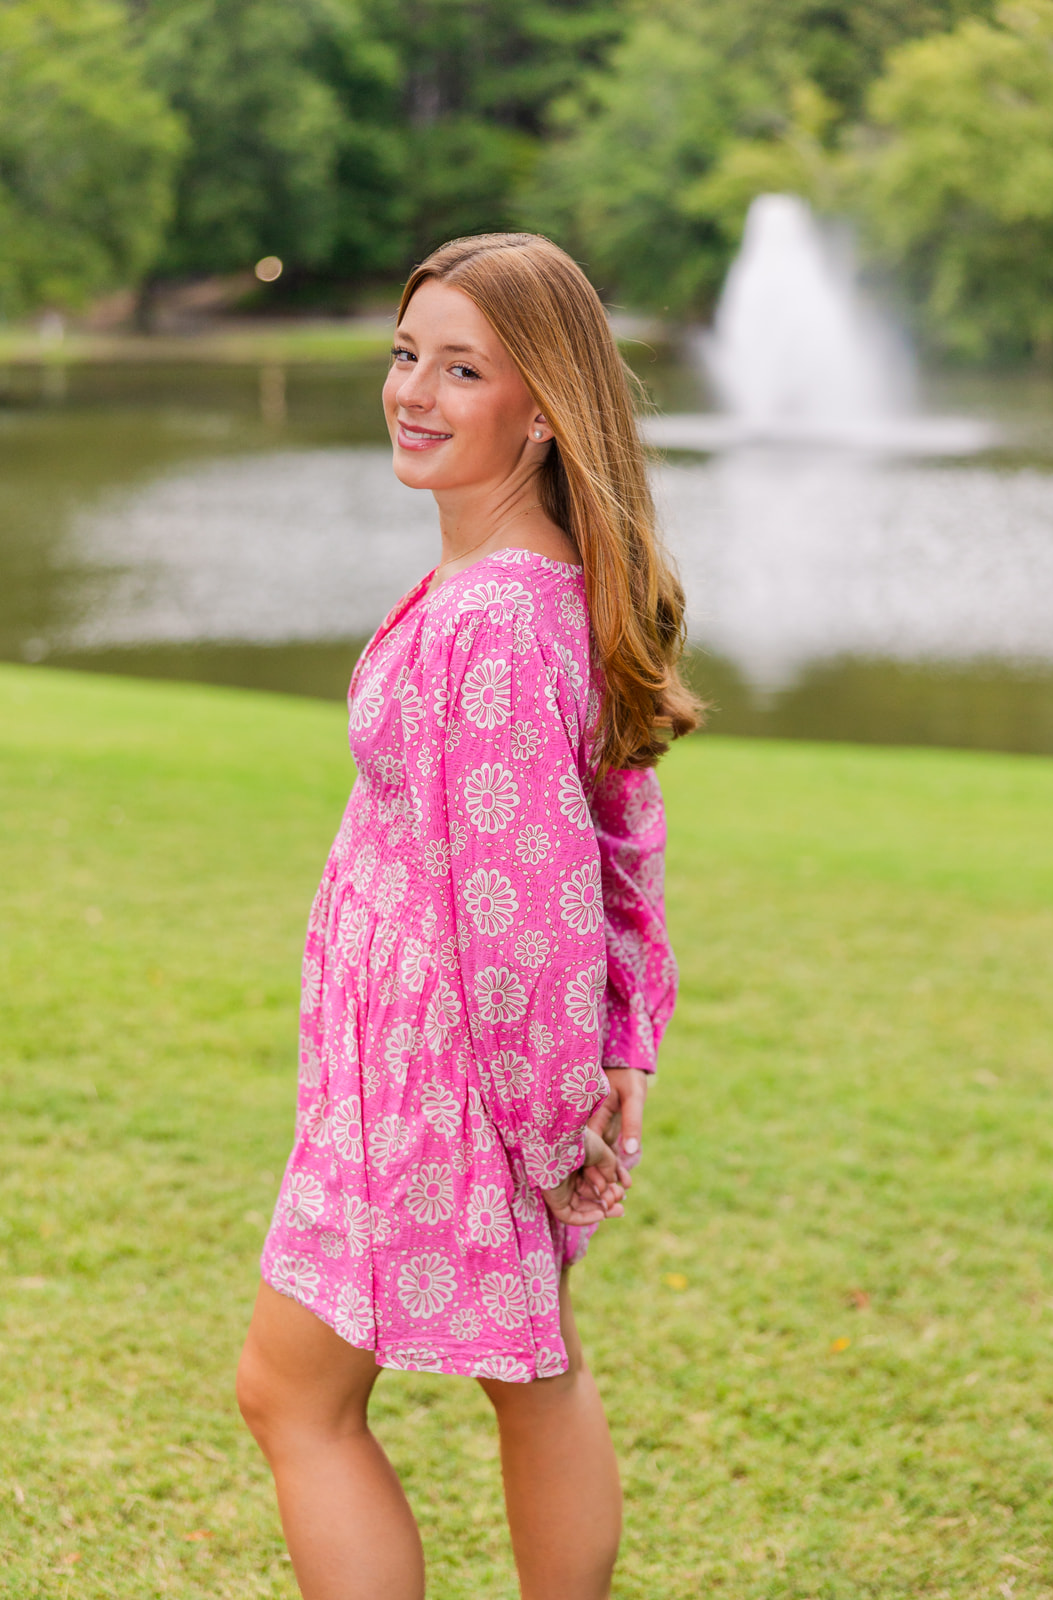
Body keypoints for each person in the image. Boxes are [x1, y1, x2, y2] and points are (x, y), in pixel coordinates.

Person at [236, 232, 699, 1600]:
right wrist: (623, 1037)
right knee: (532, 1371)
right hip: (454, 1075)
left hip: (453, 1081)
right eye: (405, 354)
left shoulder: (493, 625)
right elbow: (622, 840)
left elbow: (528, 908)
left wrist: (560, 1111)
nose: (414, 392)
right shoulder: (537, 587)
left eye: (463, 368)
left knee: (291, 1394)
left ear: (542, 407)